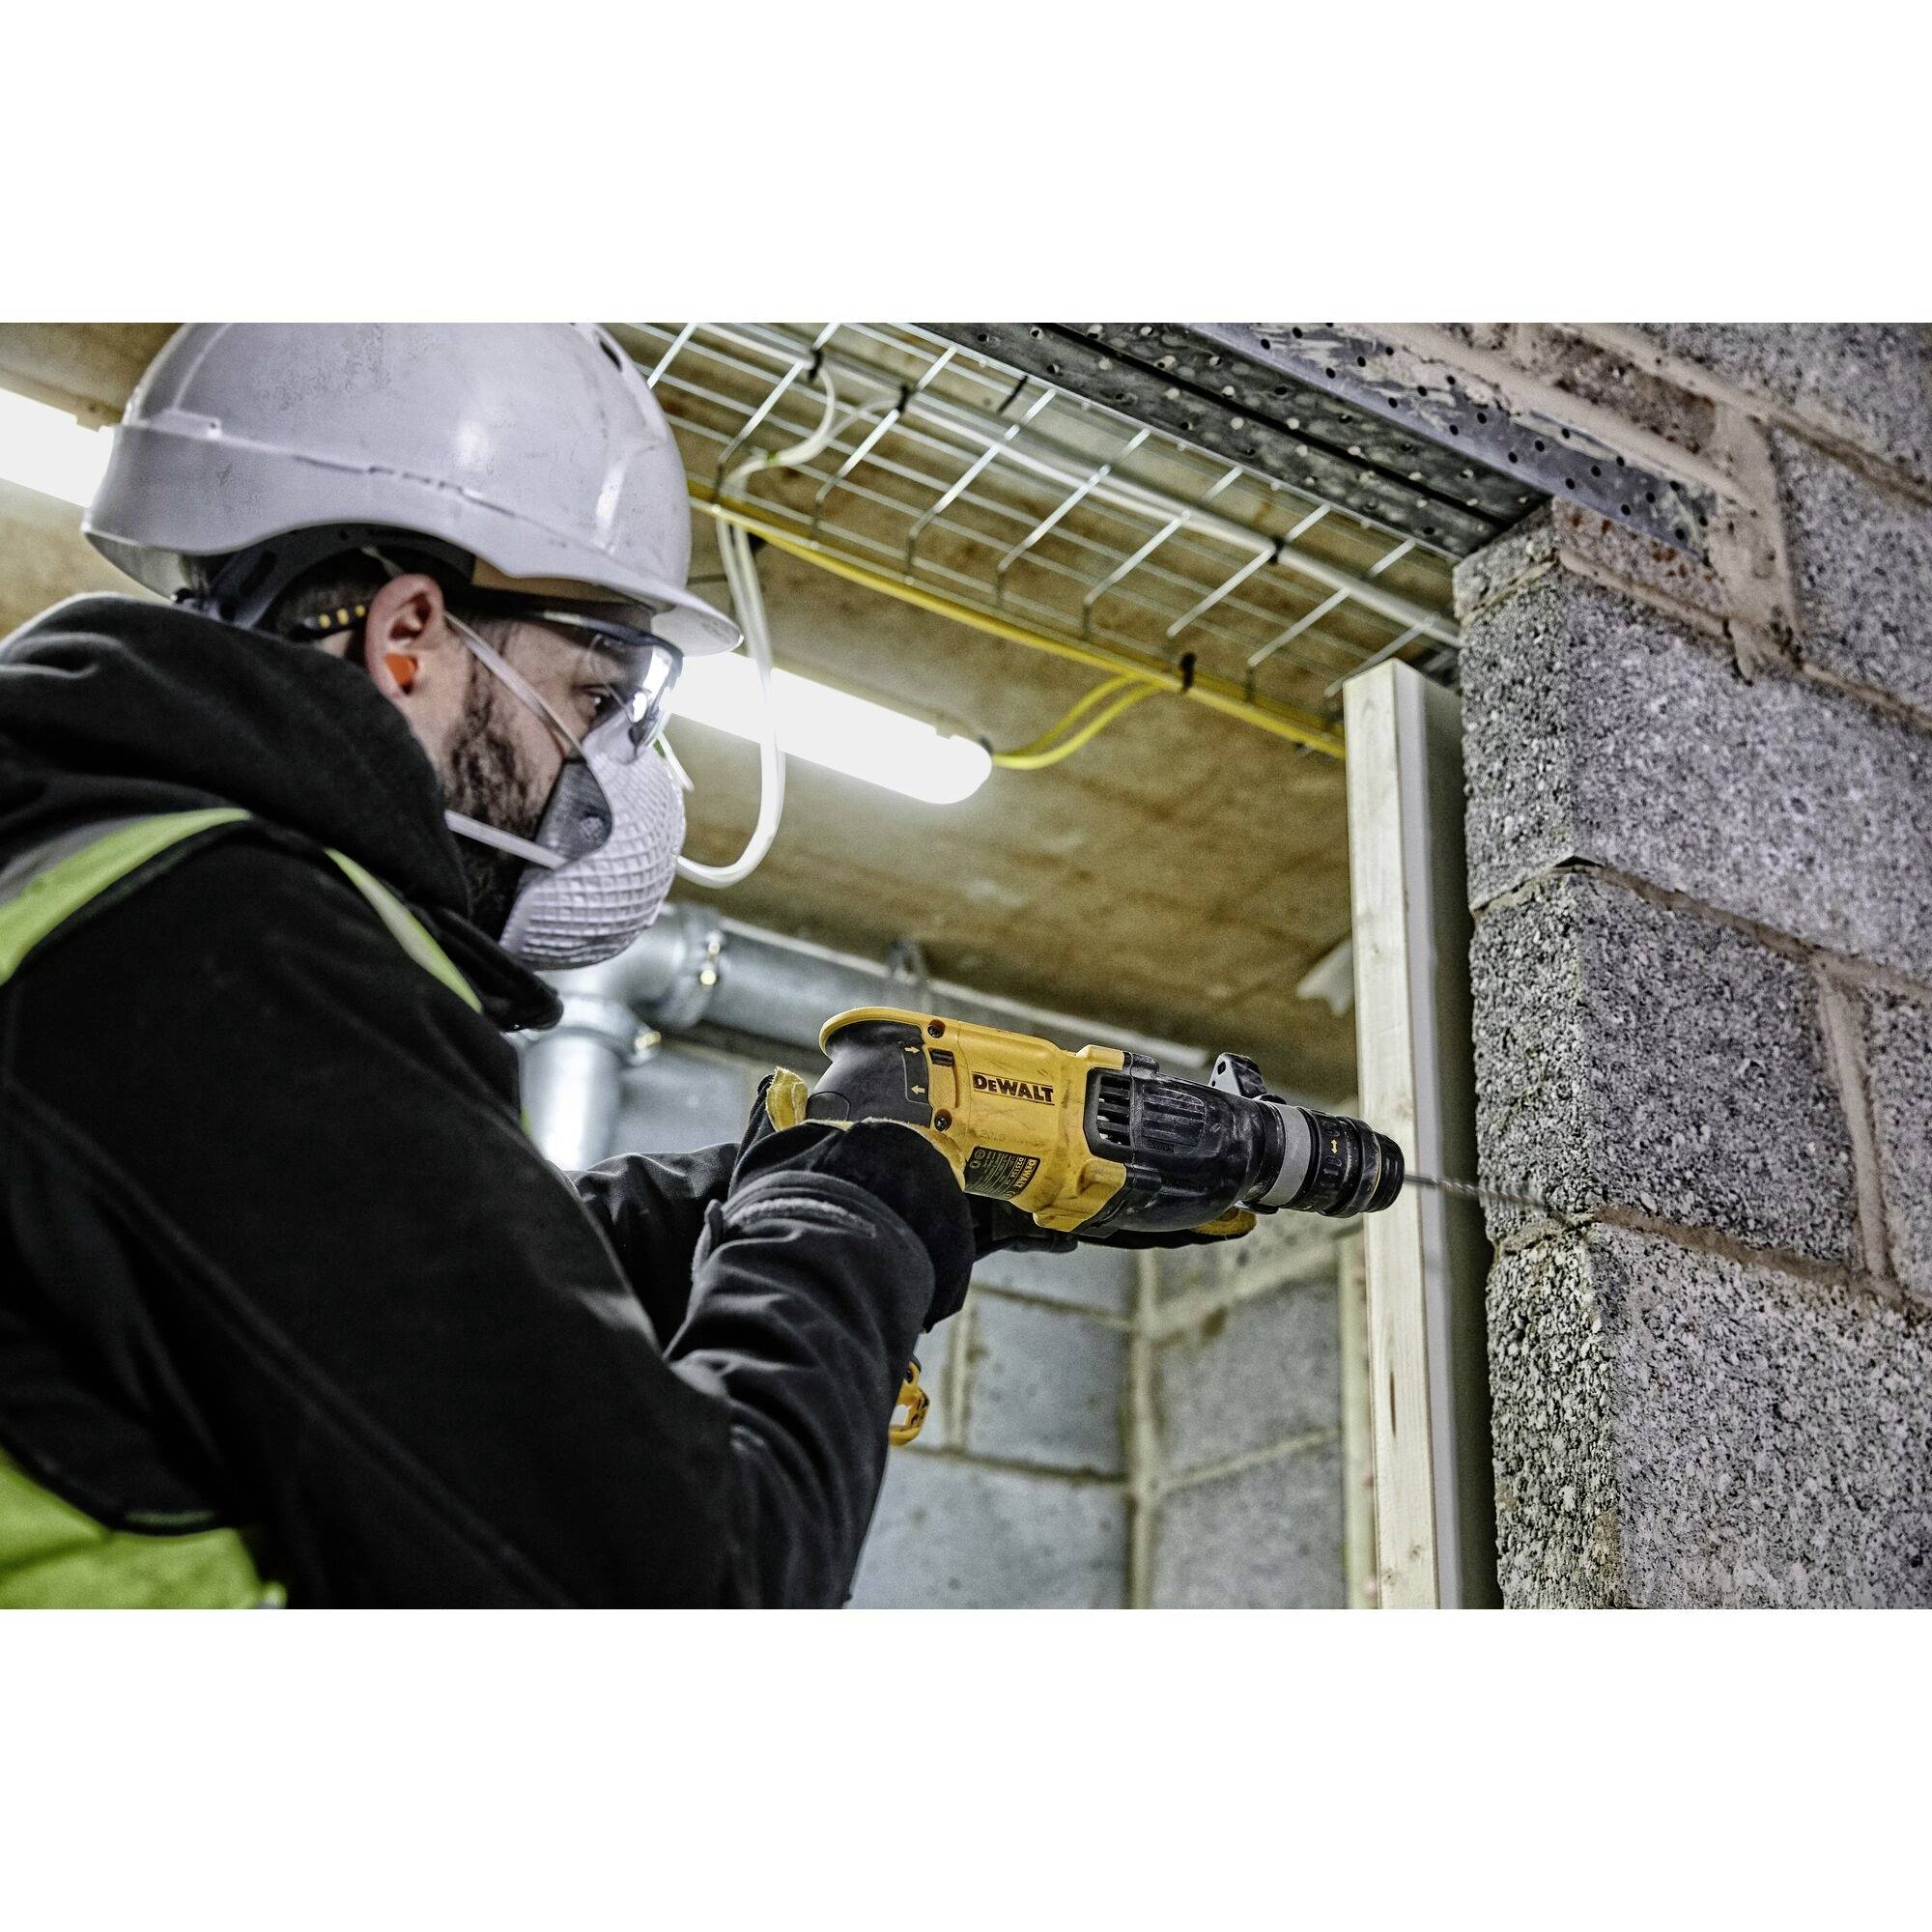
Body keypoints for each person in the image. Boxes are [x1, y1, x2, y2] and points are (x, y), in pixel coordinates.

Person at [0, 324, 985, 1606]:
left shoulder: (91, 891)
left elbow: (330, 1282)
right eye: (590, 697)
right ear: (409, 636)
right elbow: (689, 1583)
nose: (606, 770)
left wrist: (756, 1187)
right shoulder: (226, 947)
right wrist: (842, 1228)